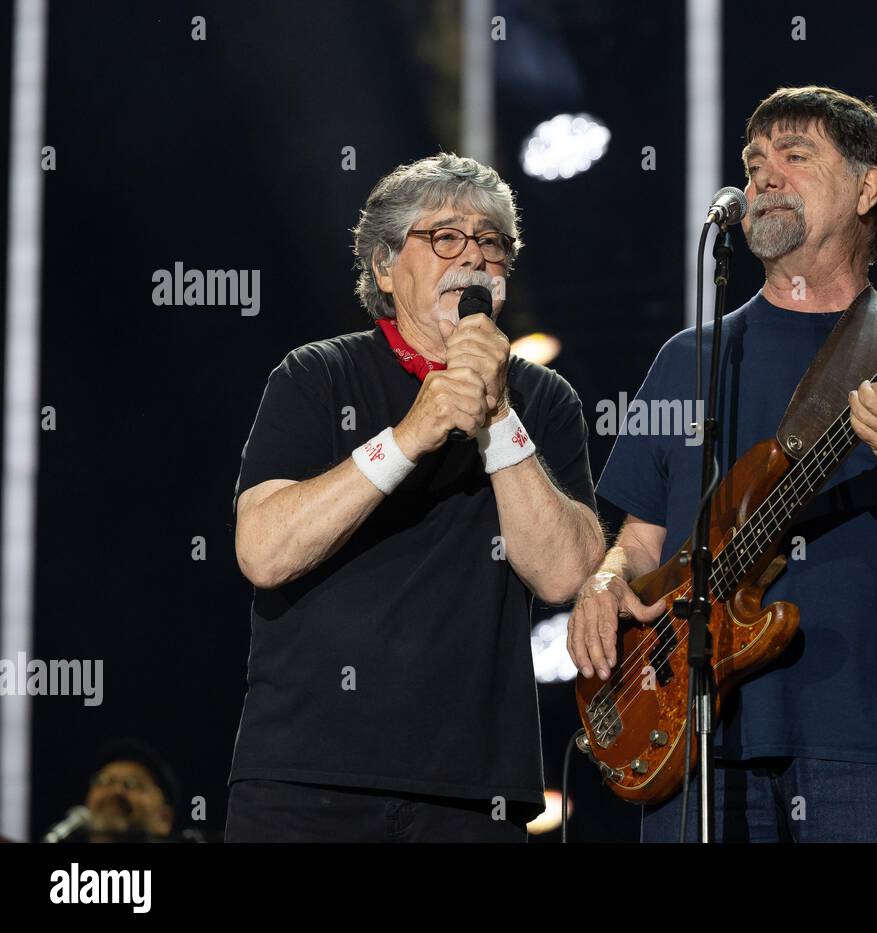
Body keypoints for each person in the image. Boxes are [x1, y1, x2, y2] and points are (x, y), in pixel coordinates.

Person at [569, 86, 877, 842]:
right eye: (754, 163)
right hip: (694, 741)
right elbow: (640, 538)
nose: (763, 176)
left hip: (867, 740)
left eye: (795, 156)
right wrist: (603, 578)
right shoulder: (688, 357)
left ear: (866, 186)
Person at [225, 153, 604, 842]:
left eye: (492, 241)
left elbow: (567, 573)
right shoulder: (316, 376)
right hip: (307, 779)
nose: (474, 258)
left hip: (474, 792)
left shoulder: (544, 400)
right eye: (446, 237)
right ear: (384, 268)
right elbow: (263, 551)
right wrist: (408, 437)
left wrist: (497, 417)